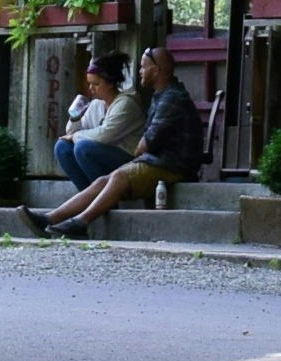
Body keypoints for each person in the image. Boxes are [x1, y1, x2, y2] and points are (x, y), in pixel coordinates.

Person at [41, 58, 207, 234]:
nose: (140, 71)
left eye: (144, 67)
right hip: (154, 160)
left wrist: (75, 136)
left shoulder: (169, 98)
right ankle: (49, 218)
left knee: (106, 167)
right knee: (98, 177)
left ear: (157, 70)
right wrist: (75, 118)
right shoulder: (161, 96)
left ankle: (81, 221)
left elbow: (143, 144)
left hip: (170, 164)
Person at [54, 52, 142, 187]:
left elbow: (104, 135)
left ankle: (104, 196)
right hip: (102, 155)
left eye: (96, 84)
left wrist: (75, 136)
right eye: (89, 84)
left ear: (110, 83)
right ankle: (87, 195)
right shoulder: (96, 104)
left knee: (83, 147)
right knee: (62, 147)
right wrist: (75, 117)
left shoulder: (126, 104)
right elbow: (71, 132)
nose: (91, 89)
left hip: (127, 158)